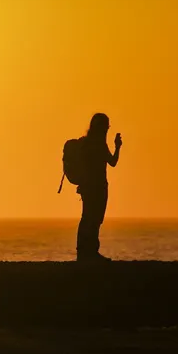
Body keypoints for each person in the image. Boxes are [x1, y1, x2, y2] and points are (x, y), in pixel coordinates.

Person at [75, 112, 122, 262]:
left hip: (88, 187)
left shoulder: (87, 143)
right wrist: (118, 147)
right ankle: (90, 252)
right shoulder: (99, 144)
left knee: (88, 218)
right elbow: (113, 162)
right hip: (98, 187)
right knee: (94, 219)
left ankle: (84, 252)